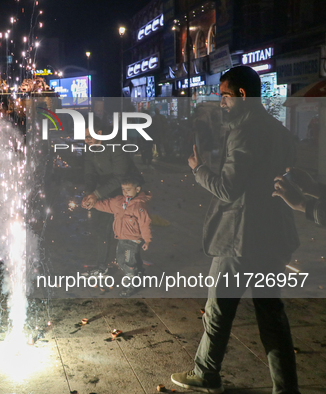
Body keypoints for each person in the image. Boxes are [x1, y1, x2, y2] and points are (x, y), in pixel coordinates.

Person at [172, 66, 300, 393]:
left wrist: (199, 170)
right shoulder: (277, 128)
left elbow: (229, 189)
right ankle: (286, 388)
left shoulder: (245, 131)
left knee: (218, 311)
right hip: (273, 236)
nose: (222, 103)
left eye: (225, 96)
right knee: (271, 314)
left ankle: (206, 374)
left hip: (241, 238)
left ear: (241, 94)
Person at [81, 116, 140, 276]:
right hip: (105, 188)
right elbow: (89, 173)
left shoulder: (115, 145)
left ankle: (133, 271)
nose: (86, 141)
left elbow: (120, 177)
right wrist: (89, 194)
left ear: (99, 133)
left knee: (127, 232)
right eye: (84, 137)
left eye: (88, 136)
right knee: (101, 228)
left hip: (126, 189)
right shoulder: (89, 147)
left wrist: (97, 193)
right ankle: (102, 266)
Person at [85, 175, 152, 283]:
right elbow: (106, 205)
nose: (125, 192)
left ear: (137, 189)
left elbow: (145, 223)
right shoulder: (119, 201)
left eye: (128, 190)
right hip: (121, 238)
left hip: (133, 239)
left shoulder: (139, 206)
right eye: (123, 189)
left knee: (128, 262)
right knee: (123, 259)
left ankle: (132, 282)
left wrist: (147, 240)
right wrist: (93, 204)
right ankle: (139, 273)